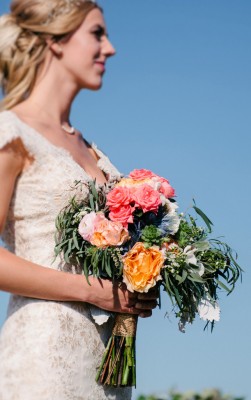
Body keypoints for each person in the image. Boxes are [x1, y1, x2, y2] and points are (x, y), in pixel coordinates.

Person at [0, 1, 158, 398]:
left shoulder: (90, 148)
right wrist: (92, 289)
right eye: (97, 34)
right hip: (44, 355)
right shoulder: (11, 131)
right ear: (55, 41)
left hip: (104, 363)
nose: (110, 48)